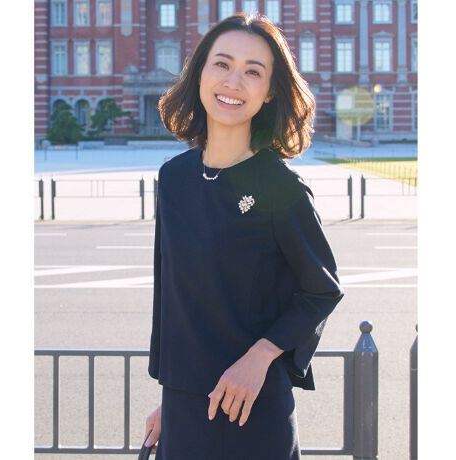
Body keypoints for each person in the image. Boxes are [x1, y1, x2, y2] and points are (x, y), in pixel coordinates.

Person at [143, 12, 345, 460]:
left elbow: (321, 289)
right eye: (222, 64)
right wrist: (170, 399)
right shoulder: (174, 177)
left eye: (253, 71)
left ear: (269, 91)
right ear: (200, 72)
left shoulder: (279, 186)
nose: (233, 81)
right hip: (184, 407)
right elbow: (173, 301)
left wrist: (260, 357)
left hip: (251, 408)